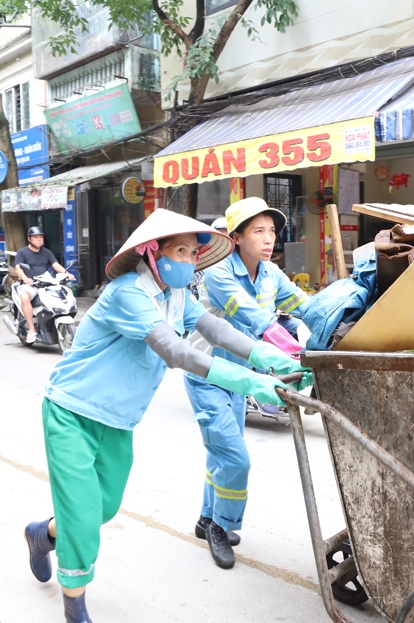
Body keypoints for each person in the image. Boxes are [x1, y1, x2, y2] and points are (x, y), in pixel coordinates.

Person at [22, 208, 311, 623]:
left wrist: (269, 354)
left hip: (119, 421)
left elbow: (215, 329)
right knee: (83, 516)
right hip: (72, 412)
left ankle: (42, 533)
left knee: (102, 508)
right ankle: (75, 605)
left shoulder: (176, 295)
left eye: (194, 253)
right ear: (152, 253)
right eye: (181, 251)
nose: (191, 260)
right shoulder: (129, 292)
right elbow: (177, 351)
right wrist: (255, 383)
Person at [184, 197, 313, 569]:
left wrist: (338, 319)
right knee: (235, 458)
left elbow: (305, 306)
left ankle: (207, 517)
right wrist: (291, 354)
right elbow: (255, 318)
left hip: (244, 378)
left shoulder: (272, 273)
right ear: (236, 237)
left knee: (221, 451)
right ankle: (221, 528)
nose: (268, 238)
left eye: (272, 230)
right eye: (258, 231)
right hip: (208, 373)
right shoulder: (218, 272)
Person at [14, 226, 75, 344]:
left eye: (41, 237)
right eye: (36, 237)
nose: (39, 240)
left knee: (68, 291)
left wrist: (67, 274)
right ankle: (32, 329)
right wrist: (26, 278)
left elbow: (56, 265)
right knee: (24, 297)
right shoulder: (22, 252)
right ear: (29, 239)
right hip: (30, 285)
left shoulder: (47, 252)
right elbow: (18, 268)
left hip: (46, 283)